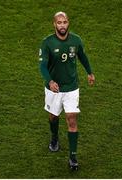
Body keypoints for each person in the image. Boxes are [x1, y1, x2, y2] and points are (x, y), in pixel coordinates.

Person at [39, 11, 95, 170]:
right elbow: (42, 65)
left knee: (71, 119)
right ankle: (55, 137)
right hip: (54, 89)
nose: (62, 25)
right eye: (59, 22)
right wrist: (50, 81)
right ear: (54, 24)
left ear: (68, 23)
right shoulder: (47, 43)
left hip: (71, 87)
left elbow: (82, 56)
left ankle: (73, 157)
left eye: (64, 22)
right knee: (53, 117)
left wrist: (89, 72)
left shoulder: (76, 40)